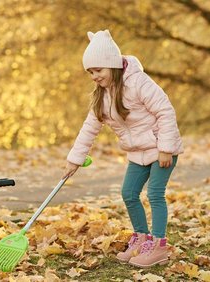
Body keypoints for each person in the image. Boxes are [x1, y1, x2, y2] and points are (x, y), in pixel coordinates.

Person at [63, 30, 184, 268]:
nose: (94, 76)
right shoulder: (102, 96)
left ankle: (158, 246)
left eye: (98, 70)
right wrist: (74, 159)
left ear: (112, 65)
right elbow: (89, 128)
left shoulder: (138, 82)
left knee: (154, 194)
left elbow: (165, 111)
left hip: (161, 149)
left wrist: (166, 148)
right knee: (129, 193)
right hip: (137, 154)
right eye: (90, 72)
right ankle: (141, 239)